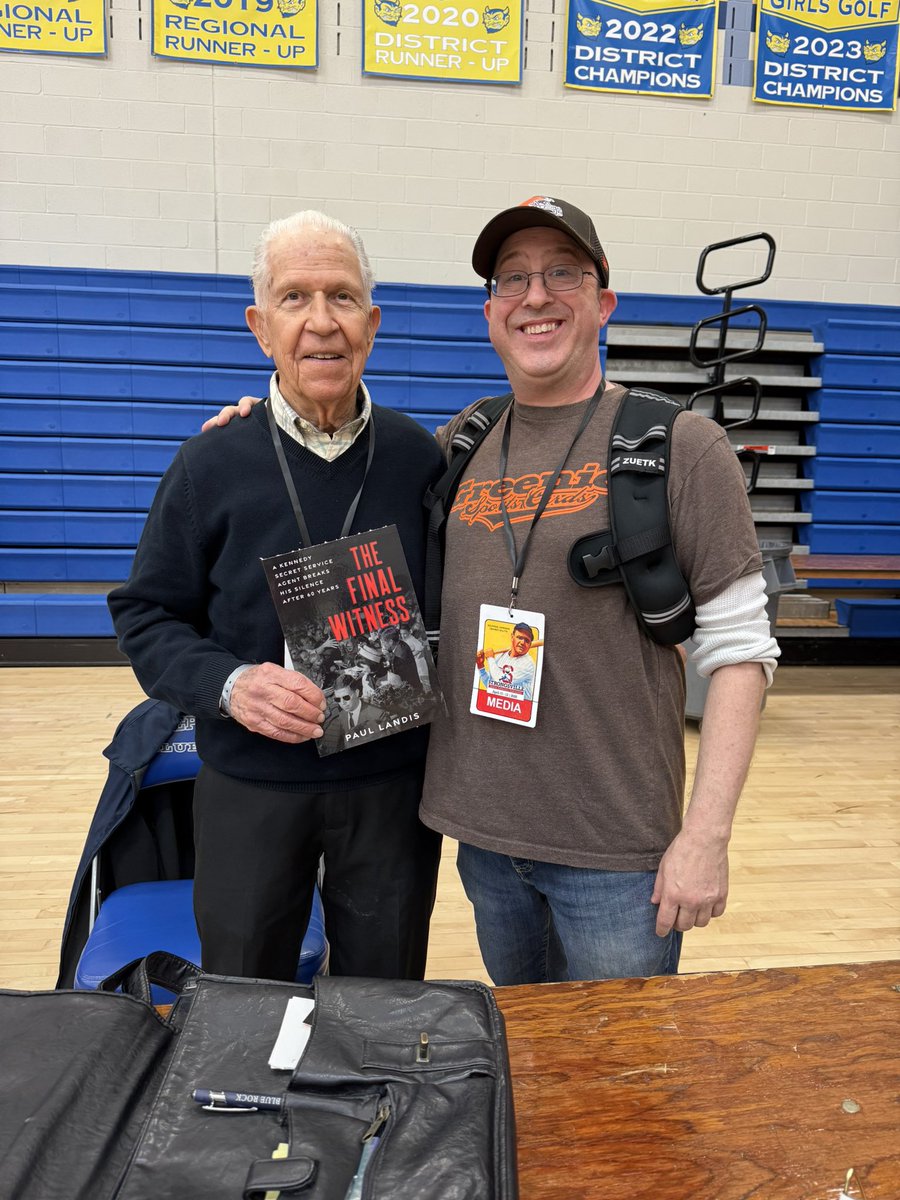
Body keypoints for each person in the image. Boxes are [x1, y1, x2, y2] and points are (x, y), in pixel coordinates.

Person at [207, 196, 779, 988]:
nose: (535, 297)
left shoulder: (679, 446)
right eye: (512, 280)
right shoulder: (458, 444)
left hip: (615, 857)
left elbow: (742, 651)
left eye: (561, 275)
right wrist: (259, 425)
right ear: (490, 313)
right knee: (530, 1065)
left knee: (619, 1090)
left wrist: (707, 837)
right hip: (481, 843)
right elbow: (332, 465)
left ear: (604, 302)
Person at [109, 210, 444, 984]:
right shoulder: (209, 463)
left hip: (390, 787)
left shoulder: (418, 458)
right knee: (242, 997)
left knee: (383, 1000)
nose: (322, 322)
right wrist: (229, 685)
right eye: (295, 298)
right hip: (251, 786)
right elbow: (145, 613)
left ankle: (366, 1111)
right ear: (261, 327)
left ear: (373, 321)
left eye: (343, 297)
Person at [476, 621, 537, 701]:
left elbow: (502, 683)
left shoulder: (528, 664)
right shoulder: (500, 656)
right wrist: (481, 666)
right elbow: (491, 684)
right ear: (512, 637)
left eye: (527, 640)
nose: (522, 642)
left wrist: (490, 659)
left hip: (520, 707)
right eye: (519, 637)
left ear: (529, 644)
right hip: (500, 703)